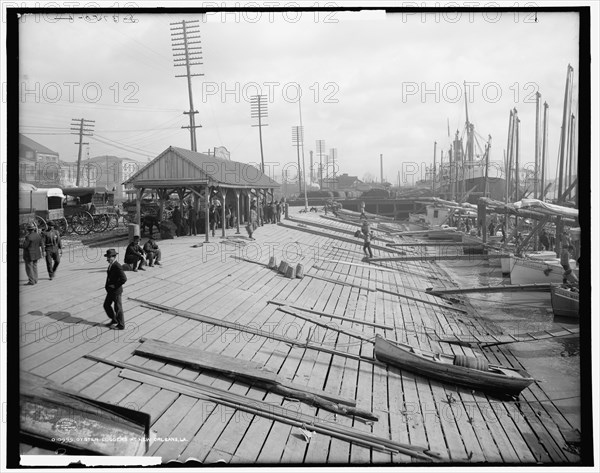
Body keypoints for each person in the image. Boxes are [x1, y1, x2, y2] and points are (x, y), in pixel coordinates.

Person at [103, 249, 127, 330]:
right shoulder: (111, 265)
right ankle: (114, 319)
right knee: (106, 305)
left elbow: (124, 278)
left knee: (118, 308)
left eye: (109, 257)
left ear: (114, 257)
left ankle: (121, 325)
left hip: (116, 291)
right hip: (110, 290)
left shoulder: (117, 266)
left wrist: (115, 285)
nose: (107, 259)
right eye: (107, 257)